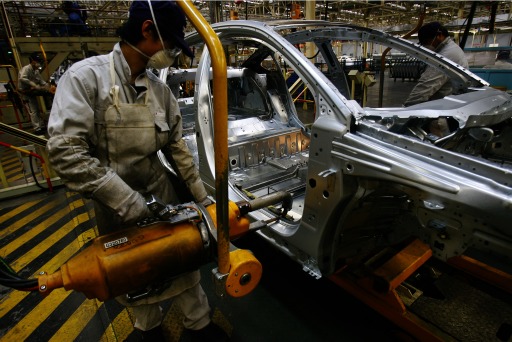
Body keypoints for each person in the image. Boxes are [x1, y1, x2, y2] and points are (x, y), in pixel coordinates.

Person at [46, 1, 228, 341]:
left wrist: (207, 205)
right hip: (115, 206)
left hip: (163, 200)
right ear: (146, 30)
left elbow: (179, 152)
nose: (172, 53)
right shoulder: (86, 79)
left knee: (183, 265)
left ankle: (199, 326)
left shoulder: (161, 93)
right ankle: (148, 329)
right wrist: (126, 201)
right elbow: (65, 152)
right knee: (132, 275)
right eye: (170, 44)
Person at [403, 22, 469, 107]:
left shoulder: (447, 54)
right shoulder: (447, 49)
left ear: (439, 35)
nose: (426, 45)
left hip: (444, 106)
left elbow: (427, 84)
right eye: (423, 43)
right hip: (445, 102)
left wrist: (407, 108)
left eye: (427, 41)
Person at [18, 53, 51, 136]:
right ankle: (37, 128)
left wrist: (48, 87)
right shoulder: (26, 69)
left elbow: (41, 81)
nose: (38, 64)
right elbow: (22, 78)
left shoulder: (36, 71)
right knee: (33, 111)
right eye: (37, 62)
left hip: (31, 93)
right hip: (25, 93)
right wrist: (34, 85)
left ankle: (41, 125)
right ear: (32, 62)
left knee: (36, 109)